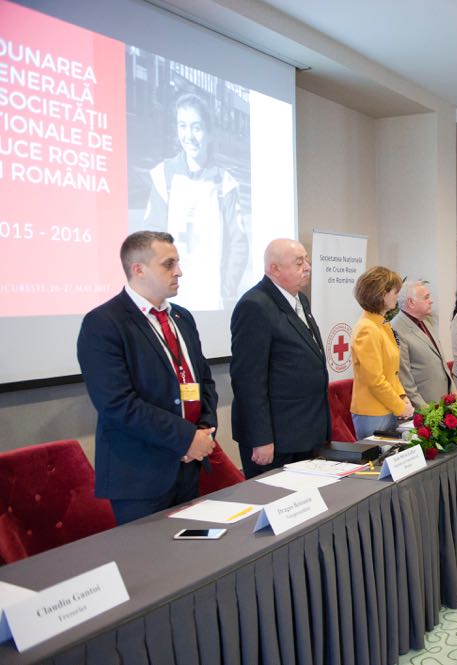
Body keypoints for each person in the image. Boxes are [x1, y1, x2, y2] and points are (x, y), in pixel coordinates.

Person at [77, 231, 218, 524]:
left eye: (178, 262)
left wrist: (203, 428)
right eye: (169, 264)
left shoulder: (182, 318)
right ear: (138, 269)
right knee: (150, 568)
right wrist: (185, 438)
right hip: (141, 475)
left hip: (189, 464)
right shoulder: (103, 323)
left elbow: (203, 380)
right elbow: (117, 404)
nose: (179, 271)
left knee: (194, 562)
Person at [230, 239, 331, 478]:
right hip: (278, 439)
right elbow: (248, 380)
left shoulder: (299, 300)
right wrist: (261, 438)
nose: (307, 267)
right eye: (299, 262)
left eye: (306, 260)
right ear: (274, 269)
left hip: (306, 431)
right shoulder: (254, 305)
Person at [144, 93, 248, 309]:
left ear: (209, 133)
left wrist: (225, 291)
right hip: (171, 298)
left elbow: (238, 243)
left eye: (197, 127)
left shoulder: (225, 183)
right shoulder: (163, 175)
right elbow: (150, 239)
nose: (188, 135)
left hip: (212, 298)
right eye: (183, 126)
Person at [348, 266, 413, 440]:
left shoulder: (382, 324)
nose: (397, 296)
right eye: (394, 291)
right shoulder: (367, 329)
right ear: (381, 294)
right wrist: (399, 406)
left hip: (387, 407)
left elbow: (391, 372)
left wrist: (402, 396)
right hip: (372, 413)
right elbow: (374, 379)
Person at [391, 280, 457, 408]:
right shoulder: (396, 328)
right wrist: (423, 408)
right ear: (411, 302)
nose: (431, 301)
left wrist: (453, 391)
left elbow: (441, 361)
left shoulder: (425, 321)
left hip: (442, 403)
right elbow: (404, 377)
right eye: (426, 297)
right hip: (423, 408)